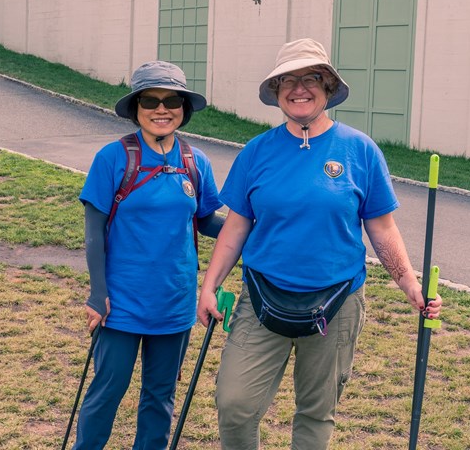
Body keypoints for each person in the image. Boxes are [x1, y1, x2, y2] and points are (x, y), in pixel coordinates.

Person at [197, 38, 442, 449]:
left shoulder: (359, 150)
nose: (299, 88)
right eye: (287, 80)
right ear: (276, 93)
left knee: (315, 413)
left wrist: (410, 284)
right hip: (261, 299)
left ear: (328, 86)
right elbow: (236, 227)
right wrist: (209, 286)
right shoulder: (257, 152)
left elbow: (382, 228)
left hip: (337, 303)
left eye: (311, 77)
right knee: (234, 403)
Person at [73, 61, 224, 450]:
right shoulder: (113, 158)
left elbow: (207, 222)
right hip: (121, 303)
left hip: (174, 304)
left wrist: (256, 228)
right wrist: (97, 294)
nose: (161, 109)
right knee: (108, 391)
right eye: (150, 100)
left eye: (171, 100)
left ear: (183, 108)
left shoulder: (195, 161)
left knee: (160, 397)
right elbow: (94, 234)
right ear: (136, 108)